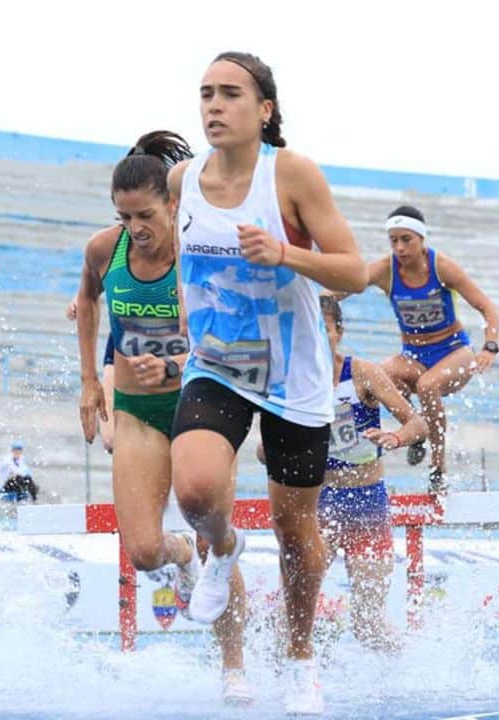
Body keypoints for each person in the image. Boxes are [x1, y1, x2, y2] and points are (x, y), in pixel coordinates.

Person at [168, 51, 367, 715]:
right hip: (222, 362)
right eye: (205, 95)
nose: (214, 107)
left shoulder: (293, 174)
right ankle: (223, 548)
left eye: (229, 94)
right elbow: (182, 262)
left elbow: (353, 272)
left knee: (295, 528)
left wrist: (286, 253)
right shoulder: (182, 179)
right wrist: (183, 327)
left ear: (265, 109)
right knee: (195, 490)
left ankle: (301, 656)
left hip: (294, 374)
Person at [75, 130, 251, 704]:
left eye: (145, 215)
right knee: (144, 551)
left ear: (173, 204)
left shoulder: (196, 253)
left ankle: (233, 666)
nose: (135, 228)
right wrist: (87, 382)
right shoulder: (105, 250)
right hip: (137, 412)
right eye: (124, 217)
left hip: (198, 403)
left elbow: (223, 339)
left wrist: (173, 363)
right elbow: (87, 302)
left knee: (211, 533)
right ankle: (178, 555)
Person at [286, 295, 427, 653]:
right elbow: (263, 450)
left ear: (339, 332)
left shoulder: (362, 373)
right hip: (319, 506)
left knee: (368, 623)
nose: (316, 337)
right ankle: (280, 681)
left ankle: (413, 671)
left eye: (324, 329)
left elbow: (418, 423)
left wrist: (395, 437)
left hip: (367, 505)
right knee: (294, 613)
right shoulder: (292, 380)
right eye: (308, 329)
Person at [362, 205, 499, 494]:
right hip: (413, 355)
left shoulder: (442, 267)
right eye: (394, 240)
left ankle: (438, 469)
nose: (399, 247)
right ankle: (416, 432)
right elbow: (343, 287)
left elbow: (487, 307)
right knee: (377, 376)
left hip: (454, 352)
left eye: (406, 240)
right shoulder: (385, 270)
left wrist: (489, 346)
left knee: (427, 385)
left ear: (422, 239)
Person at [67, 297, 115, 453]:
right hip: (124, 337)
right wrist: (83, 296)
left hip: (175, 342)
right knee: (110, 439)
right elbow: (94, 282)